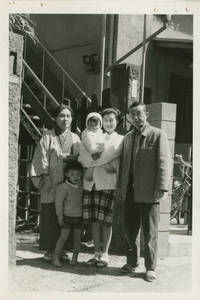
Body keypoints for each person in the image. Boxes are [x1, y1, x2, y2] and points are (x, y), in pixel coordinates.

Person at [119, 102, 171, 282]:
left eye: (139, 113)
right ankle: (132, 262)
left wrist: (162, 187)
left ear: (146, 114)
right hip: (129, 189)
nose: (136, 117)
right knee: (130, 228)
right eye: (132, 114)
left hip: (149, 190)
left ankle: (151, 267)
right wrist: (121, 188)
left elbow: (164, 163)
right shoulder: (127, 137)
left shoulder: (157, 135)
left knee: (150, 231)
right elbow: (123, 165)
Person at [30, 104, 80, 262]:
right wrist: (44, 176)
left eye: (68, 116)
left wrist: (71, 160)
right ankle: (50, 250)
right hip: (51, 182)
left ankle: (63, 249)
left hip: (69, 183)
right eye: (62, 116)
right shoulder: (47, 136)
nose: (66, 119)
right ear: (55, 118)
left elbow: (80, 159)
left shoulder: (76, 138)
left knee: (67, 214)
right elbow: (41, 158)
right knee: (51, 215)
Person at [79, 108, 124, 268]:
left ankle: (105, 253)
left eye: (111, 120)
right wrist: (99, 163)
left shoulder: (120, 139)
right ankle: (95, 253)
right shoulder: (95, 135)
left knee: (106, 221)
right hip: (91, 184)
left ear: (117, 121)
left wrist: (92, 164)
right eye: (105, 120)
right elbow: (82, 157)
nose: (108, 123)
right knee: (94, 221)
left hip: (107, 183)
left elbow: (110, 155)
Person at [52, 160, 83, 267]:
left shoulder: (82, 186)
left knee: (77, 239)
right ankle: (55, 256)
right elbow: (58, 203)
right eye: (72, 174)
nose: (76, 177)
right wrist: (59, 216)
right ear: (66, 174)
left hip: (79, 217)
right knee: (63, 237)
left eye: (78, 174)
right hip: (67, 217)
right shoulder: (63, 187)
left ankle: (75, 257)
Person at [79, 112, 116, 181]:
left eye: (96, 125)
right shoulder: (86, 133)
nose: (94, 127)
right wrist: (95, 150)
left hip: (96, 152)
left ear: (100, 125)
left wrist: (105, 142)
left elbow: (102, 140)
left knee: (98, 158)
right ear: (87, 124)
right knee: (93, 160)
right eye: (91, 125)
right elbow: (89, 145)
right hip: (88, 152)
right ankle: (91, 173)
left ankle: (93, 171)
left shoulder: (99, 132)